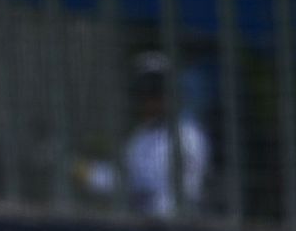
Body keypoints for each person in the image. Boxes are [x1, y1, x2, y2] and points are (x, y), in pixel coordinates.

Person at [83, 52, 208, 216]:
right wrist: (88, 173)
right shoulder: (139, 137)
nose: (149, 99)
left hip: (178, 225)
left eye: (156, 90)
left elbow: (178, 191)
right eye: (144, 92)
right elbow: (125, 180)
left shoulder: (189, 136)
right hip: (141, 225)